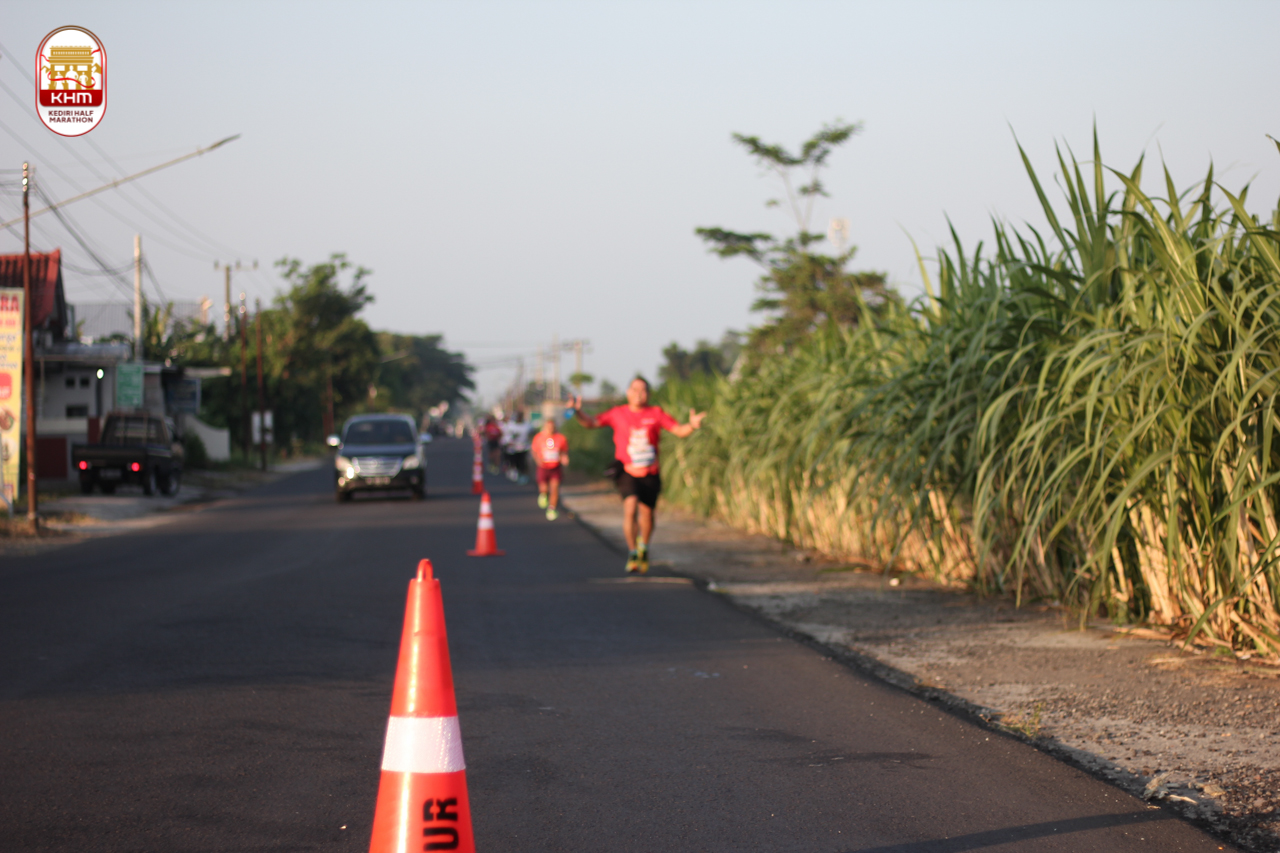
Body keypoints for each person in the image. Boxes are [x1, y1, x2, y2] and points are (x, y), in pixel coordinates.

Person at [570, 377, 705, 573]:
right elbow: (591, 423)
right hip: (627, 471)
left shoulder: (656, 413)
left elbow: (678, 430)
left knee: (647, 514)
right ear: (628, 392)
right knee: (630, 506)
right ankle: (633, 551)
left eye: (643, 390)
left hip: (650, 471)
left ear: (648, 394)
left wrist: (691, 425)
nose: (638, 394)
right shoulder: (618, 413)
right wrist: (578, 412)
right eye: (634, 389)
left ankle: (644, 547)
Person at [530, 417, 570, 520]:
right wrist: (537, 460)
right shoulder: (539, 437)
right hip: (543, 467)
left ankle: (552, 509)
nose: (550, 428)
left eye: (552, 426)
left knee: (555, 488)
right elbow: (534, 450)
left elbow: (564, 451)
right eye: (548, 426)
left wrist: (564, 458)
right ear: (545, 426)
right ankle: (543, 495)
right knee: (544, 488)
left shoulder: (561, 438)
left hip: (555, 467)